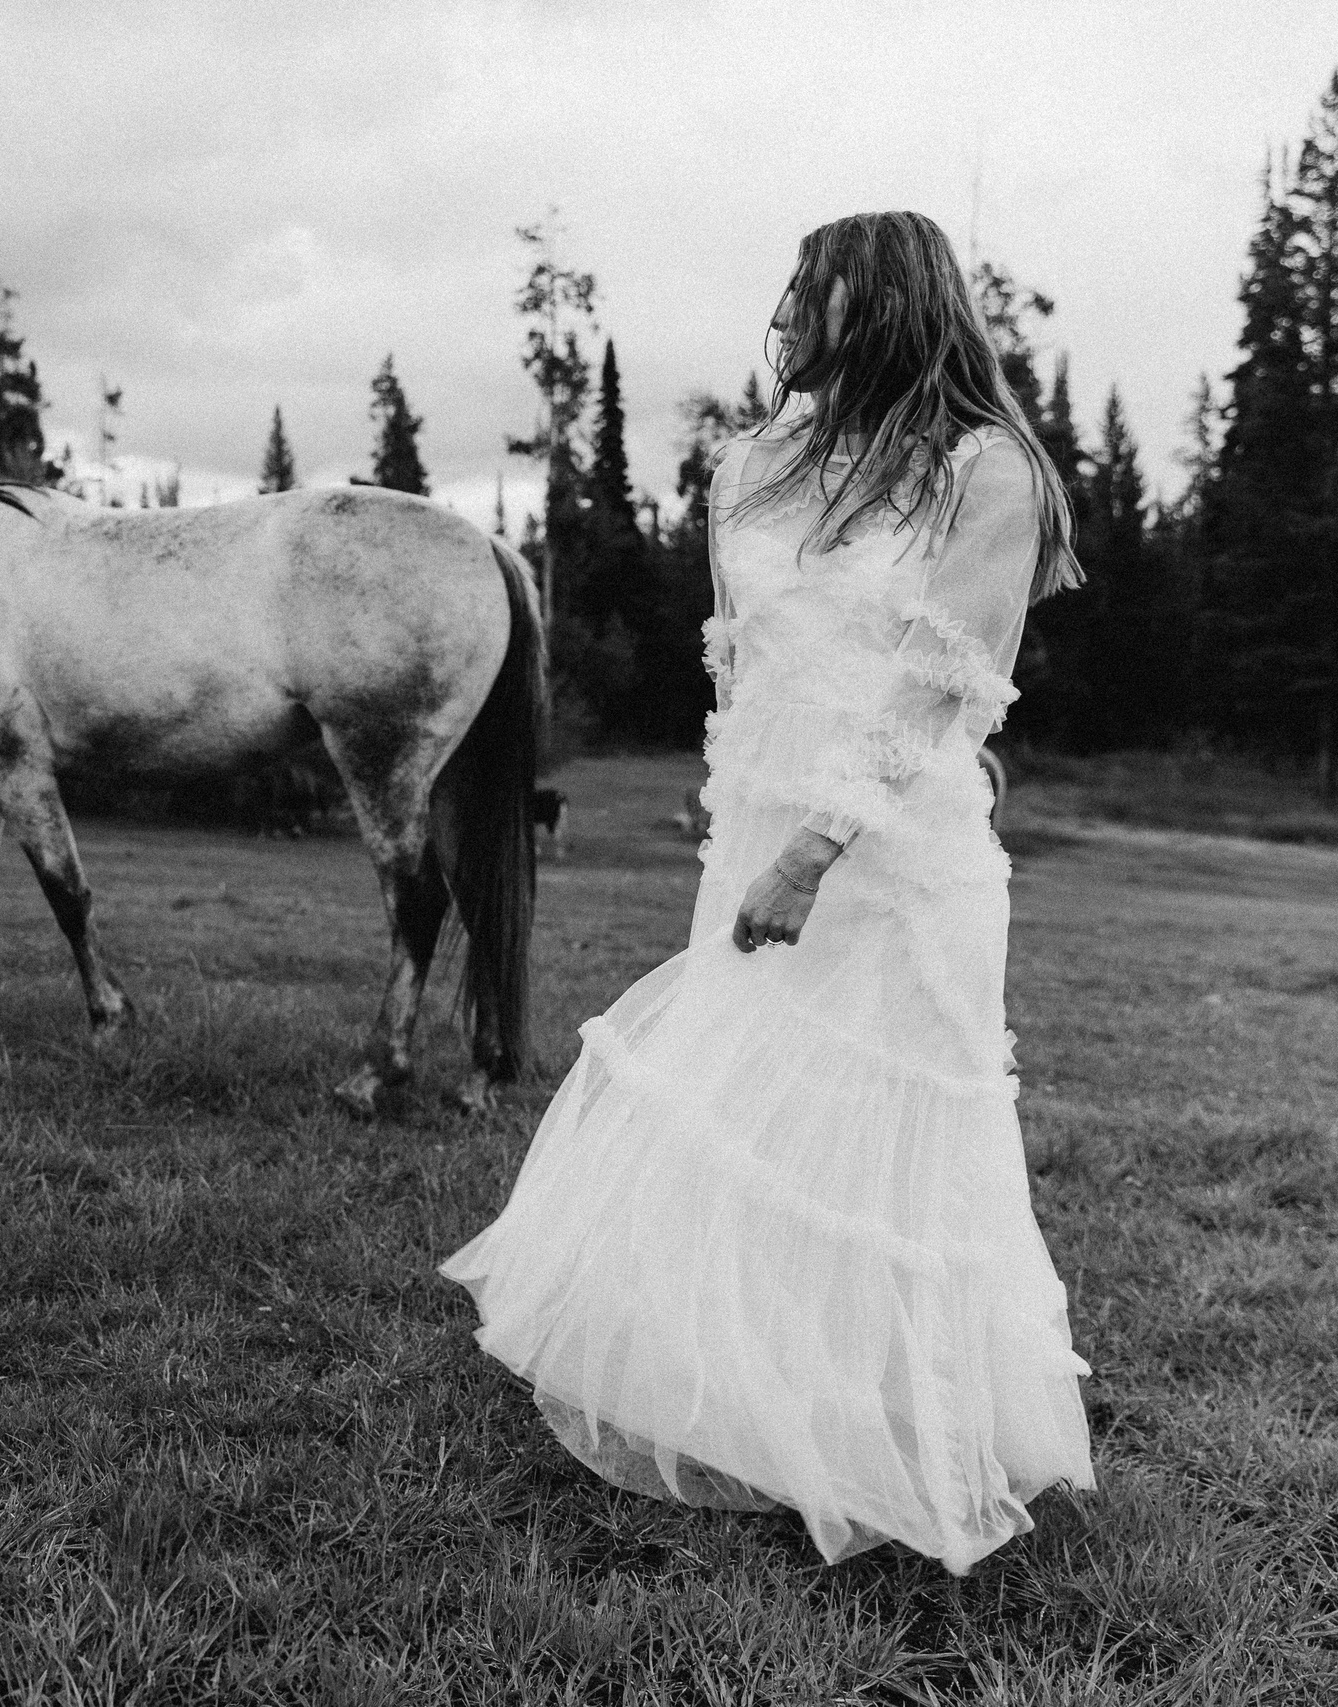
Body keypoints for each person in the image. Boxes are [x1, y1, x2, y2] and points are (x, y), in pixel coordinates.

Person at [441, 210, 1094, 1575]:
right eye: (787, 291)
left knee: (875, 1119)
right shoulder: (763, 460)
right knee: (748, 1114)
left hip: (895, 858)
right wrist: (739, 799)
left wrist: (818, 846)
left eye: (818, 296)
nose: (787, 317)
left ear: (893, 308)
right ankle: (755, 1403)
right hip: (756, 834)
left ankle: (880, 1427)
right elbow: (744, 654)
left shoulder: (990, 473)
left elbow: (944, 685)